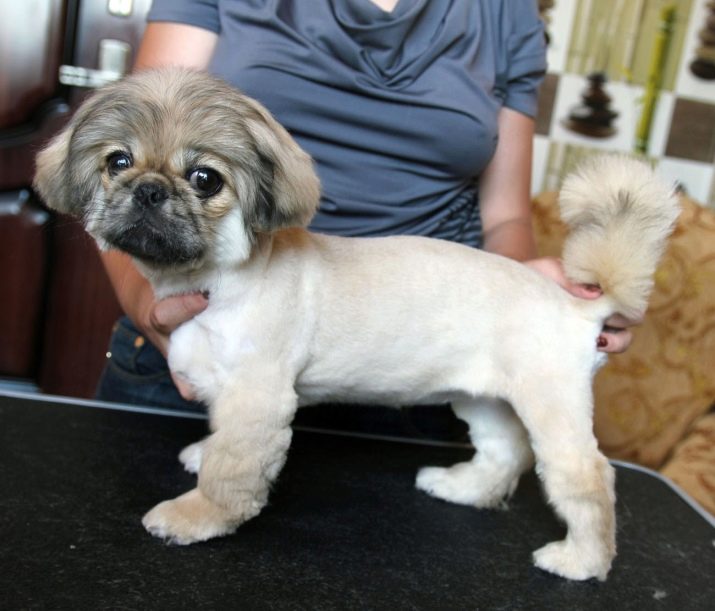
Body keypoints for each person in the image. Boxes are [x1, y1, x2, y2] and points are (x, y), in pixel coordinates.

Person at [96, 0, 639, 435]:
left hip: (418, 364)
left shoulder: (506, 11)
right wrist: (147, 304)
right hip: (213, 342)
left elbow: (504, 217)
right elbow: (131, 170)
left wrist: (526, 294)